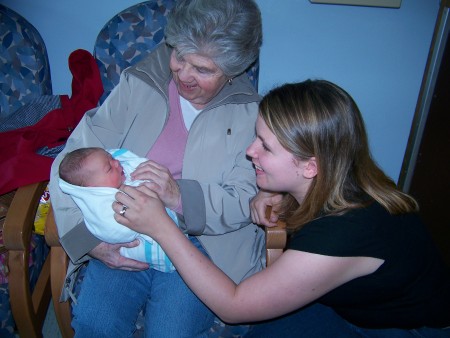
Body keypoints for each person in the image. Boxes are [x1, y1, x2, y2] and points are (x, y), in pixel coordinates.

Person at [114, 79, 450, 338]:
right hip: (358, 304)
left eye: (266, 147)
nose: (250, 151)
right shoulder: (345, 178)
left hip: (404, 329)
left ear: (310, 167)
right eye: (256, 137)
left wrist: (162, 227)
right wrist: (280, 194)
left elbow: (233, 306)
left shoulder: (344, 233)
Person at [48, 0, 264, 336]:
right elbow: (72, 159)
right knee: (95, 325)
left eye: (204, 70)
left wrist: (179, 196)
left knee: (170, 332)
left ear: (234, 69)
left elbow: (247, 198)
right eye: (179, 56)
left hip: (200, 245)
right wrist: (89, 239)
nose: (183, 75)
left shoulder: (251, 114)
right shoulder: (141, 83)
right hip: (125, 227)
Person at [58, 147, 178, 271]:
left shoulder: (121, 170)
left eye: (113, 159)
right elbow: (116, 230)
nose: (117, 162)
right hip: (134, 252)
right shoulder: (101, 207)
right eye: (109, 168)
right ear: (93, 188)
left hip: (179, 239)